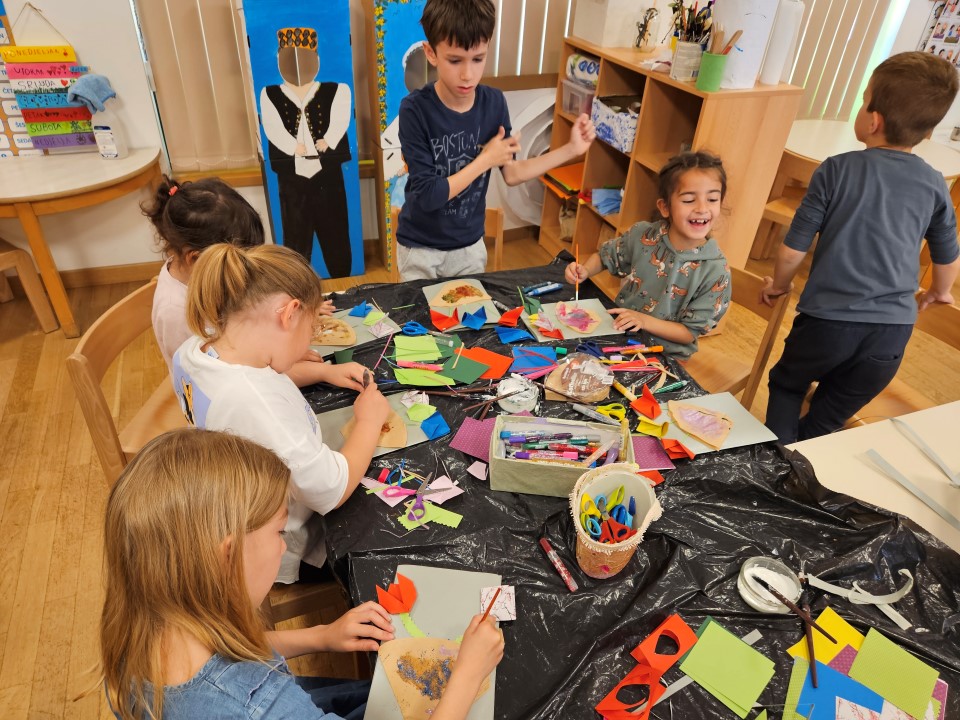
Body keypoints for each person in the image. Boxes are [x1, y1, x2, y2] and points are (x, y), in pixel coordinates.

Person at [100, 428, 505, 720]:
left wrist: (321, 636)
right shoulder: (260, 707)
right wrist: (467, 675)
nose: (283, 545)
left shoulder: (140, 626)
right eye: (279, 532)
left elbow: (227, 648)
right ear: (229, 556)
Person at [761, 51, 960, 444]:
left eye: (864, 98)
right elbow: (947, 254)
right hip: (891, 336)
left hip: (825, 325)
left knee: (787, 385)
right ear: (927, 132)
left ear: (873, 121)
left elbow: (792, 250)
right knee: (828, 417)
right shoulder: (935, 183)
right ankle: (801, 461)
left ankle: (776, 460)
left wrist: (779, 285)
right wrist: (940, 291)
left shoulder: (835, 169)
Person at [171, 243, 389, 583]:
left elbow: (259, 374)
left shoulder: (196, 348)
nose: (311, 341)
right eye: (311, 328)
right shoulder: (257, 404)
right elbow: (332, 490)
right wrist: (370, 421)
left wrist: (323, 371)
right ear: (289, 314)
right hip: (287, 542)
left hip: (232, 503)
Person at [396, 0, 597, 281]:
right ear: (431, 53)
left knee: (472, 310)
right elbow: (429, 196)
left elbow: (512, 174)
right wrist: (485, 160)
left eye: (478, 59)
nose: (468, 74)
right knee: (419, 310)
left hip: (469, 248)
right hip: (420, 248)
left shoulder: (493, 103)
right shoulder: (415, 110)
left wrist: (571, 149)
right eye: (455, 60)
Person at [143, 175, 337, 388]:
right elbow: (218, 381)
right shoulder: (174, 313)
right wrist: (304, 364)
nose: (247, 271)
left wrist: (302, 313)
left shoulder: (208, 275)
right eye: (240, 259)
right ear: (195, 258)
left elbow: (247, 312)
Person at [564, 151, 732, 358]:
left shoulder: (716, 271)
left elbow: (689, 333)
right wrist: (585, 270)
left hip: (664, 355)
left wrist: (643, 320)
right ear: (665, 207)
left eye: (712, 199)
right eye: (689, 200)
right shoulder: (644, 236)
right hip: (618, 335)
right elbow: (605, 256)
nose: (702, 208)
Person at [260, 27, 354, 278]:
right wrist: (292, 147)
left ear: (316, 60)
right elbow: (272, 127)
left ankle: (344, 281)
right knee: (296, 240)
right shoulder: (269, 94)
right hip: (291, 178)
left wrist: (329, 140)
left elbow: (341, 117)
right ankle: (297, 284)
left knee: (335, 234)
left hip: (329, 176)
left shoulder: (338, 90)